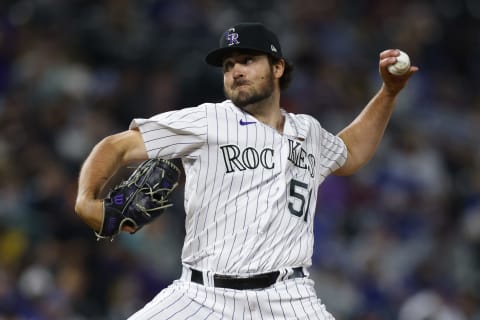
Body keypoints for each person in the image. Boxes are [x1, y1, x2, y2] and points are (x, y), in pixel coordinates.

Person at [75, 22, 418, 319]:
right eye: (228, 65)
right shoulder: (208, 119)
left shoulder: (308, 131)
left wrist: (389, 92)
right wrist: (86, 199)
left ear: (278, 68)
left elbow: (351, 152)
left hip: (289, 297)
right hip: (202, 295)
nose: (235, 70)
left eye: (247, 60)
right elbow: (116, 146)